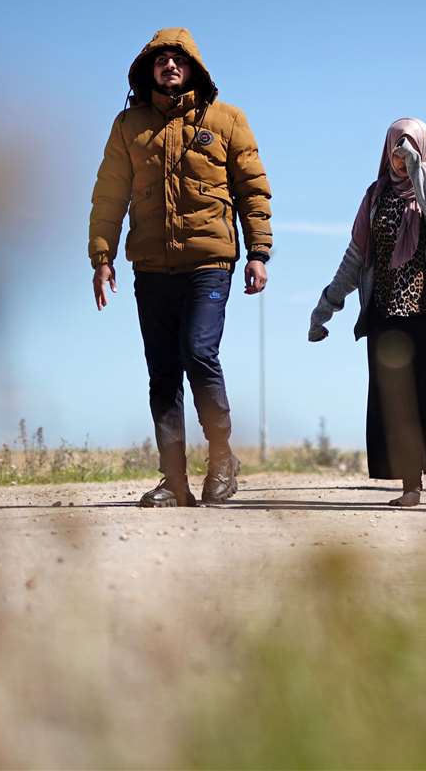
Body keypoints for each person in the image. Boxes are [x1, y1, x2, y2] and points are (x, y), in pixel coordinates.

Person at [88, 28, 273, 508]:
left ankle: (221, 457)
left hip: (210, 262)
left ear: (194, 67)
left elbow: (252, 189)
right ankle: (175, 481)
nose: (169, 65)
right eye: (160, 59)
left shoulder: (227, 119)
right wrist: (102, 257)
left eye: (178, 59)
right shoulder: (129, 126)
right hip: (151, 266)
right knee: (163, 371)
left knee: (198, 352)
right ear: (148, 69)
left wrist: (258, 252)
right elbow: (109, 194)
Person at [308, 118, 426, 507]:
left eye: (409, 144)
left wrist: (417, 171)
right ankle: (411, 486)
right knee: (397, 403)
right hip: (387, 317)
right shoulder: (375, 196)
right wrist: (325, 307)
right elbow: (355, 258)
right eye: (396, 146)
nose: (400, 153)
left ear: (422, 147)